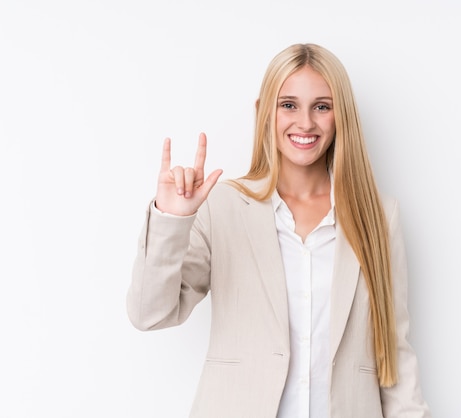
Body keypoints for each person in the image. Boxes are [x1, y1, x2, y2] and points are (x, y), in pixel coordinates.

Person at [127, 43, 431, 418]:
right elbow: (149, 314)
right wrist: (171, 220)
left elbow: (394, 354)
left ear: (341, 116)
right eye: (288, 104)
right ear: (264, 112)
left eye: (322, 106)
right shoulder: (222, 208)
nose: (305, 122)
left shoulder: (379, 216)